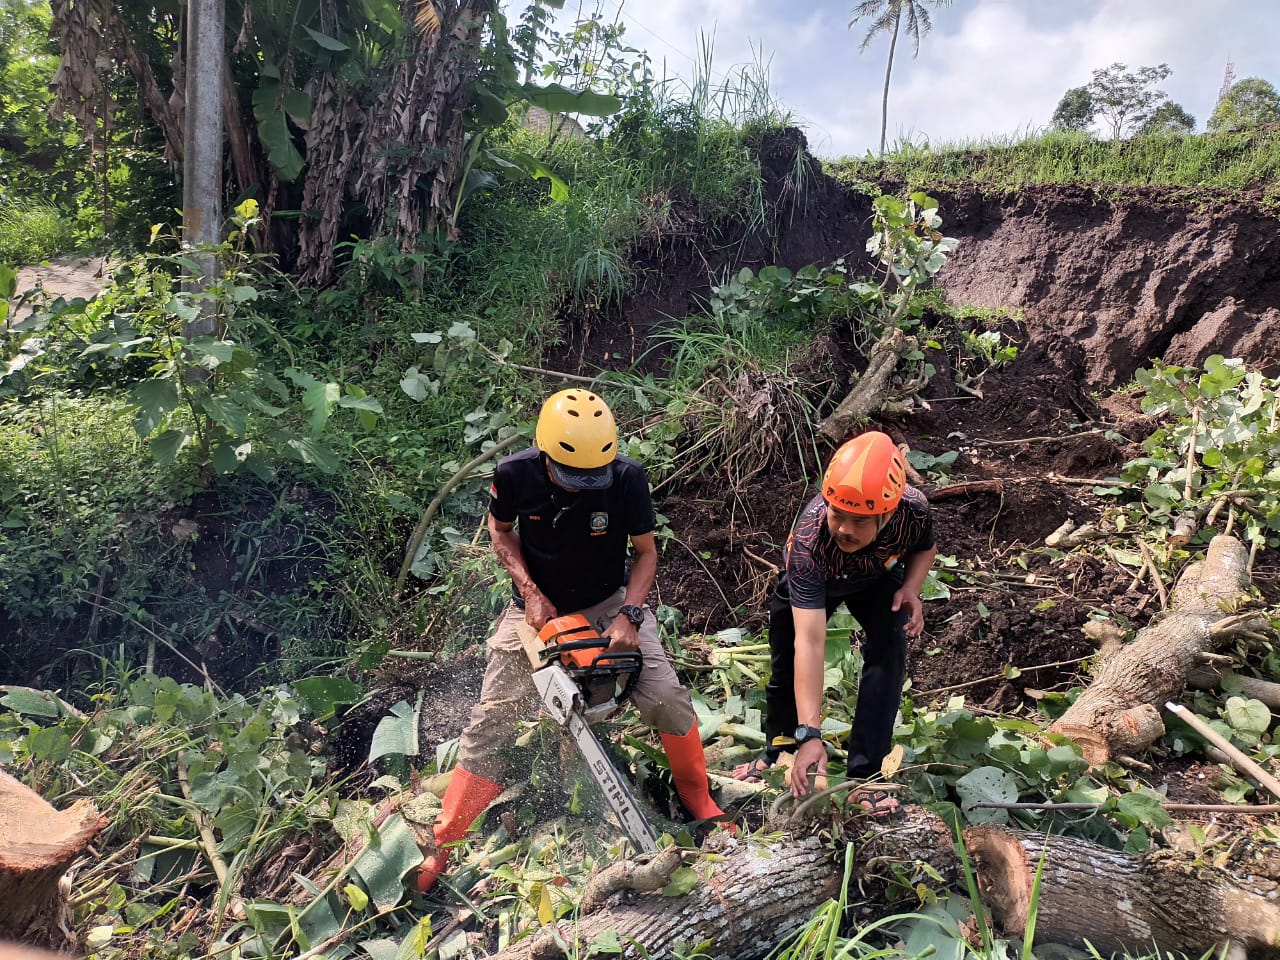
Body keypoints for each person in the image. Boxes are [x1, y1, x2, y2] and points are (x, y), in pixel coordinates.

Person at [417, 388, 727, 892]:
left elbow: (646, 554)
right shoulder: (514, 475)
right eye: (572, 475)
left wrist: (629, 614)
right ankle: (444, 842)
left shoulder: (627, 480)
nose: (584, 486)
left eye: (592, 477)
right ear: (545, 452)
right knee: (492, 718)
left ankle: (700, 800)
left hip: (609, 601)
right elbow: (501, 533)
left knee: (666, 696)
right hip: (535, 608)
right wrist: (530, 592)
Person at [732, 430, 937, 815]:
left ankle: (866, 777)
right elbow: (810, 642)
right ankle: (781, 749)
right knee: (786, 661)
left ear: (889, 513)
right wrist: (811, 733)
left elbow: (926, 548)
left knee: (889, 653)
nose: (844, 528)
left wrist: (911, 587)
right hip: (818, 578)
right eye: (837, 513)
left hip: (876, 578)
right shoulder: (811, 542)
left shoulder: (914, 510)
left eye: (860, 521)